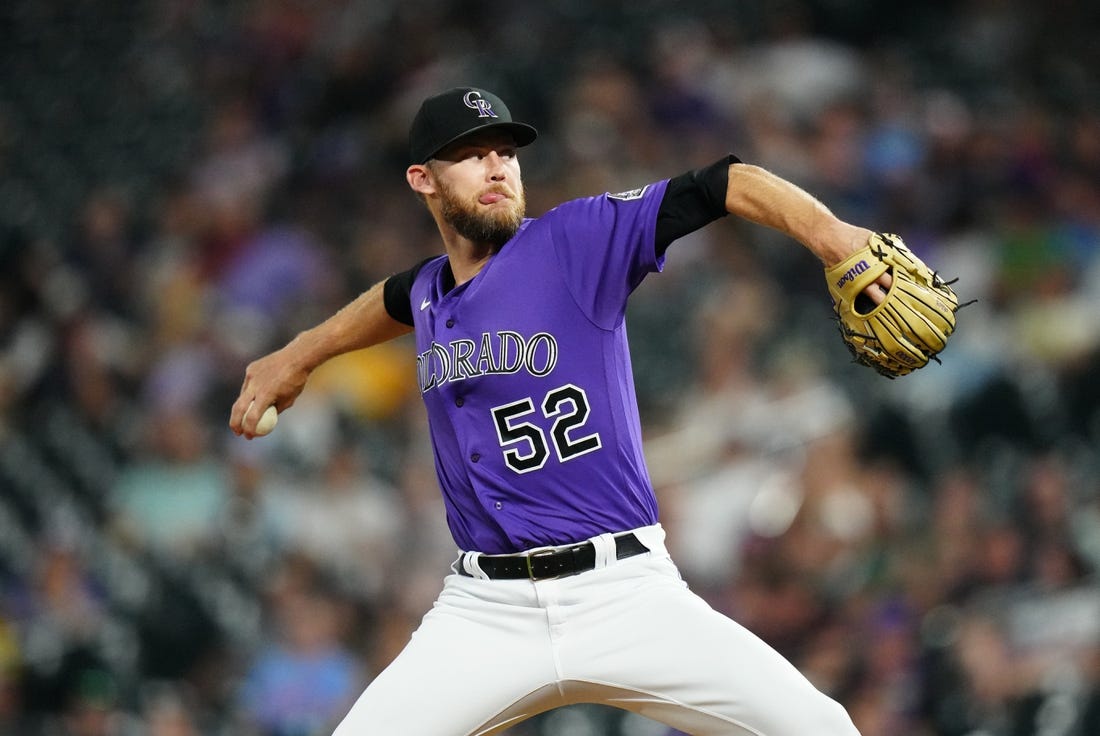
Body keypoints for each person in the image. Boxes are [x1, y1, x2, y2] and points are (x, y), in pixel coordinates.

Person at [230, 86, 891, 735]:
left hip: (624, 591)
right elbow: (394, 299)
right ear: (422, 179)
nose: (495, 166)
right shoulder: (431, 289)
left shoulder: (574, 242)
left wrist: (831, 235)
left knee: (820, 727)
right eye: (470, 154)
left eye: (505, 153)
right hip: (485, 610)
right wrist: (301, 353)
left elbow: (726, 183)